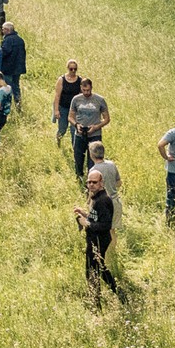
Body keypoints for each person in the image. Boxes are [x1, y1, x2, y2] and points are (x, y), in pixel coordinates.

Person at [72, 169, 122, 307]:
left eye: (94, 182)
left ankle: (96, 302)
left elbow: (105, 225)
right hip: (95, 240)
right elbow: (97, 218)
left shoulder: (103, 200)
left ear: (102, 183)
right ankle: (118, 292)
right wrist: (85, 214)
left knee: (92, 271)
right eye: (89, 182)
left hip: (99, 240)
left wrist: (86, 224)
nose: (91, 185)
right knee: (100, 268)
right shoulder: (96, 198)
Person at [68, 77, 109, 179]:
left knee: (93, 162)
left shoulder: (99, 100)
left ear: (91, 88)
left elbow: (107, 118)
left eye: (88, 90)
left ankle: (92, 180)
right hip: (79, 134)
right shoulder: (76, 100)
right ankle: (80, 177)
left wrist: (96, 127)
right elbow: (70, 117)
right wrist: (76, 125)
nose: (86, 92)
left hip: (95, 135)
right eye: (84, 90)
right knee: (78, 159)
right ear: (81, 88)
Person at [88, 140, 122, 231]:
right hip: (115, 201)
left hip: (101, 204)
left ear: (91, 154)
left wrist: (88, 204)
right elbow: (119, 183)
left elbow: (92, 190)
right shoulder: (112, 164)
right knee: (112, 231)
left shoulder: (93, 170)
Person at [53, 60, 81, 144]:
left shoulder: (80, 80)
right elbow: (57, 96)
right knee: (62, 128)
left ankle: (75, 148)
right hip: (63, 108)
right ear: (67, 68)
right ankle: (58, 140)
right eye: (71, 69)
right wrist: (56, 110)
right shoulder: (61, 80)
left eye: (75, 69)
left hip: (74, 110)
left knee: (74, 129)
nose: (73, 71)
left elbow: (81, 96)